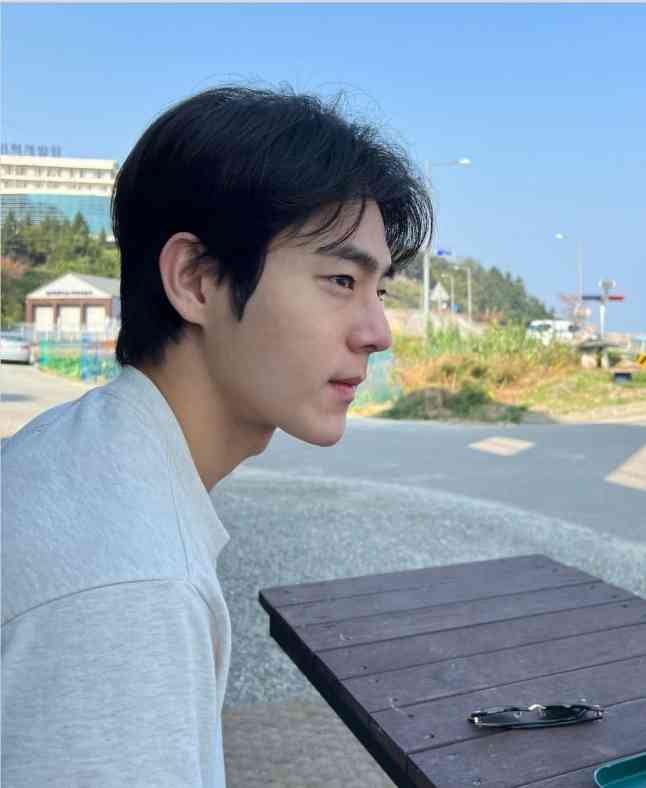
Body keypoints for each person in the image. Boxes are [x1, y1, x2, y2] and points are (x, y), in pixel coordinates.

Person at [1, 85, 432, 787]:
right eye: (339, 279)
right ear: (197, 280)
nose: (377, 332)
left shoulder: (79, 455)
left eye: (378, 289)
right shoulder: (128, 587)